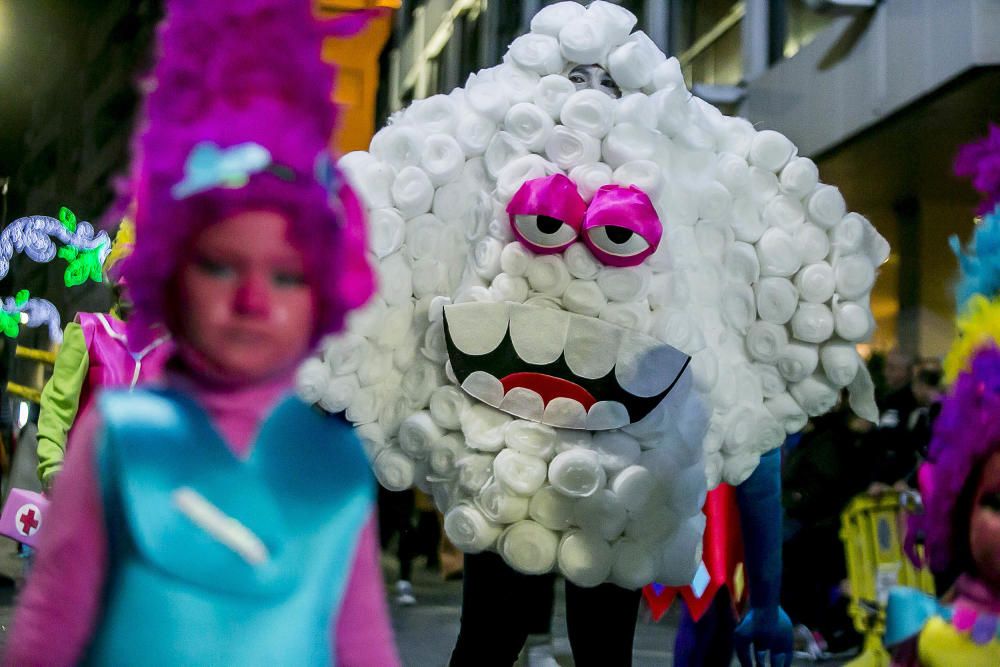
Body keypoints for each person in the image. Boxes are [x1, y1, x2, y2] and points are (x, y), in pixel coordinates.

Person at [4, 1, 399, 664]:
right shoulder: (119, 440)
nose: (250, 300)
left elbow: (359, 637)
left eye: (283, 275)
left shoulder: (326, 460)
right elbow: (49, 622)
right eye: (219, 265)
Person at [35, 220, 172, 490]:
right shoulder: (89, 330)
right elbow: (57, 406)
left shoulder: (169, 352)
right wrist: (52, 465)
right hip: (81, 486)